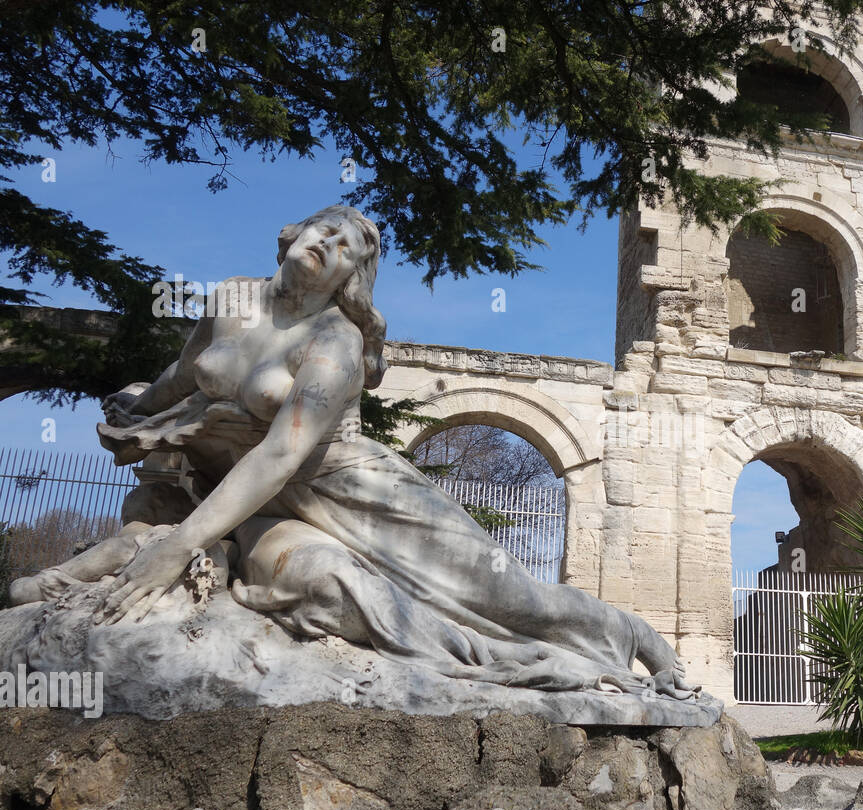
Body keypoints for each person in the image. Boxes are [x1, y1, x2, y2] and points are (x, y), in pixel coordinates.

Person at [10, 205, 698, 701]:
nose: (329, 245)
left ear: (349, 279)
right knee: (338, 590)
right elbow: (186, 375)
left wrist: (182, 541)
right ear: (293, 232)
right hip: (256, 501)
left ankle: (631, 634)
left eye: (346, 250)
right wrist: (141, 408)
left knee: (508, 597)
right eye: (325, 231)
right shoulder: (231, 300)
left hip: (352, 493)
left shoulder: (336, 342)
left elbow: (284, 452)